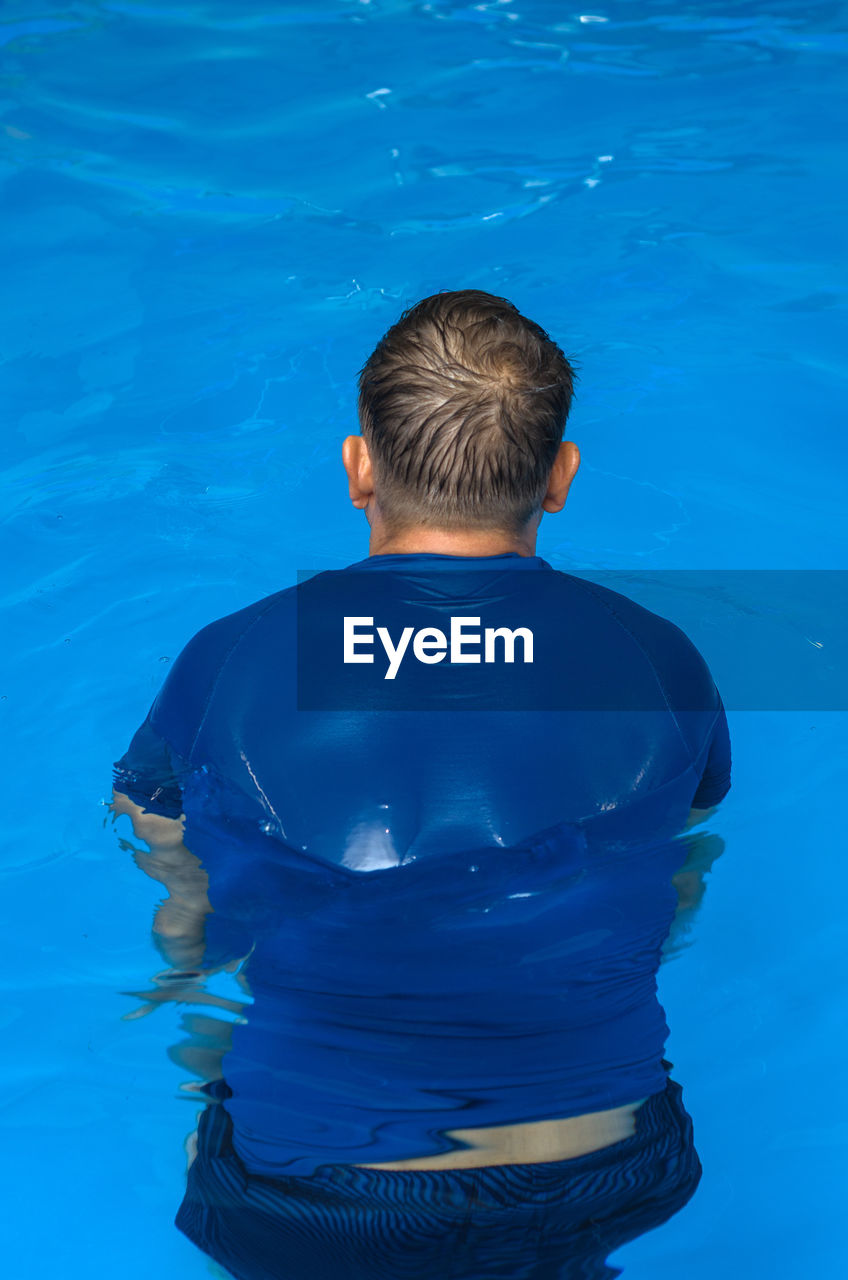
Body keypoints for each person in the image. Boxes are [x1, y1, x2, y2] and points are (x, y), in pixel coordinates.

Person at [110, 289, 730, 1278]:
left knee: (215, 1111)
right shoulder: (658, 657)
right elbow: (677, 870)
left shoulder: (228, 657)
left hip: (319, 1189)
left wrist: (183, 976)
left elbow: (172, 863)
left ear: (357, 465)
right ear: (559, 476)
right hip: (611, 1160)